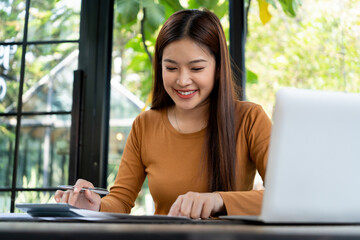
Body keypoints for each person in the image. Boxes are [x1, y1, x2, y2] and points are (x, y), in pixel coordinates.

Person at [54, 9, 272, 219]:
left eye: (196, 69)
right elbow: (120, 201)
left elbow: (286, 196)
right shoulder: (145, 124)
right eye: (171, 68)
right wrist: (96, 205)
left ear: (218, 69)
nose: (183, 80)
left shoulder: (249, 119)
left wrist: (219, 200)